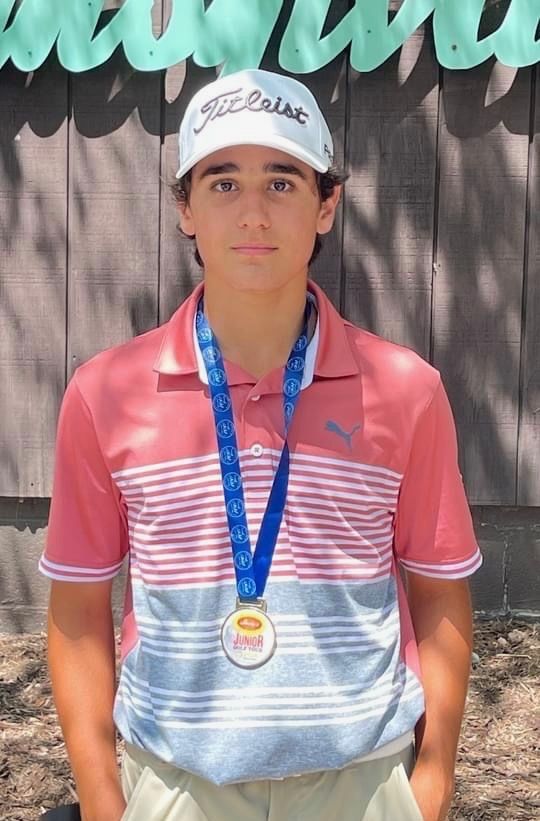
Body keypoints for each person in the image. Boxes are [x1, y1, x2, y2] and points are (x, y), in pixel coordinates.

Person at [41, 68, 482, 821]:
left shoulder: (408, 390)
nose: (253, 212)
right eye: (222, 184)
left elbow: (440, 592)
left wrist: (432, 777)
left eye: (282, 183)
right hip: (174, 784)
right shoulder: (103, 393)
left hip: (363, 784)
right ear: (183, 207)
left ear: (326, 204)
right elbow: (78, 611)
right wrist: (102, 797)